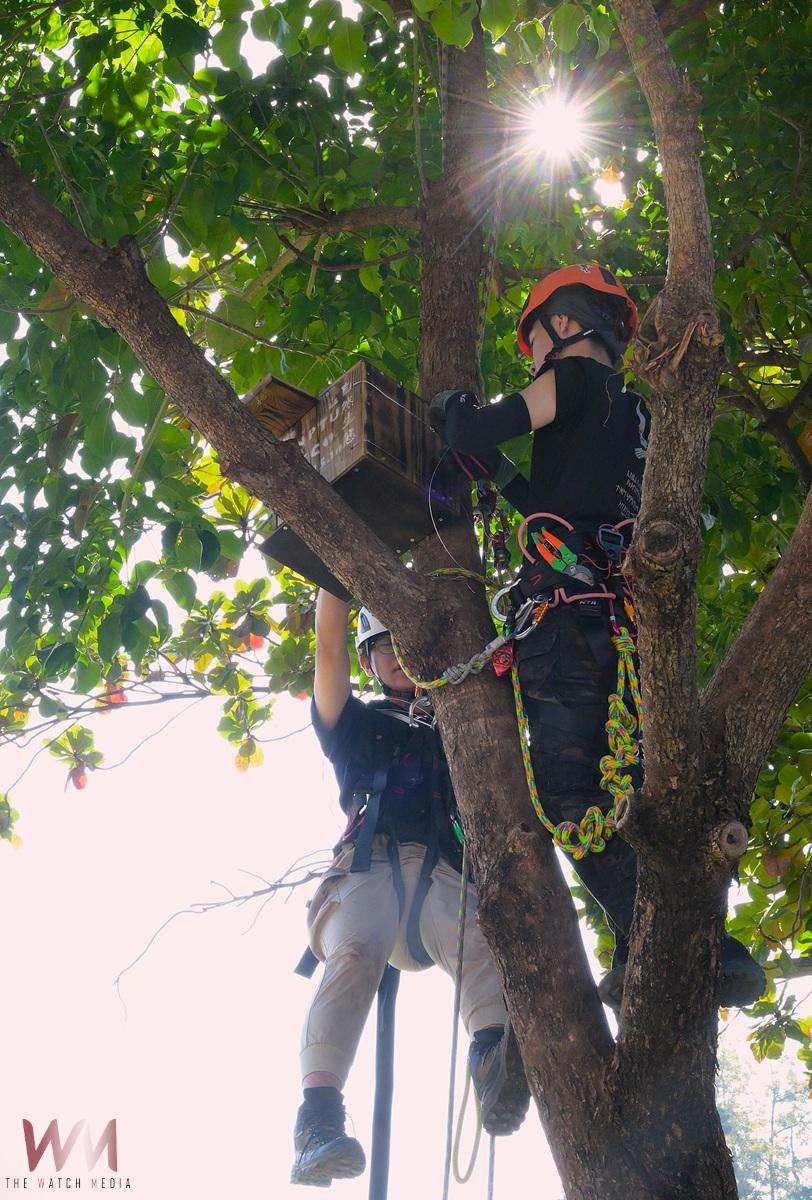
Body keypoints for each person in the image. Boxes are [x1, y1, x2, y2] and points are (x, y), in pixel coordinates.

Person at [430, 262, 766, 1013]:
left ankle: (695, 948)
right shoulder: (641, 415)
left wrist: (454, 416)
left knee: (572, 795)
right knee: (636, 800)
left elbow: (478, 425)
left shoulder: (573, 379)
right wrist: (498, 479)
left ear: (561, 324)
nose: (539, 351)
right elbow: (560, 498)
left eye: (540, 335)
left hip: (566, 627)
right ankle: (707, 947)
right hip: (628, 636)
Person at [291, 589, 530, 1188]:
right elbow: (327, 652)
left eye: (403, 643)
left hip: (440, 881)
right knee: (358, 948)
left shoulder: (466, 719)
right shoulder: (355, 725)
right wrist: (331, 583)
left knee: (482, 938)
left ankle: (493, 1059)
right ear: (368, 659)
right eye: (380, 646)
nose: (394, 654)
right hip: (366, 868)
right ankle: (317, 1120)